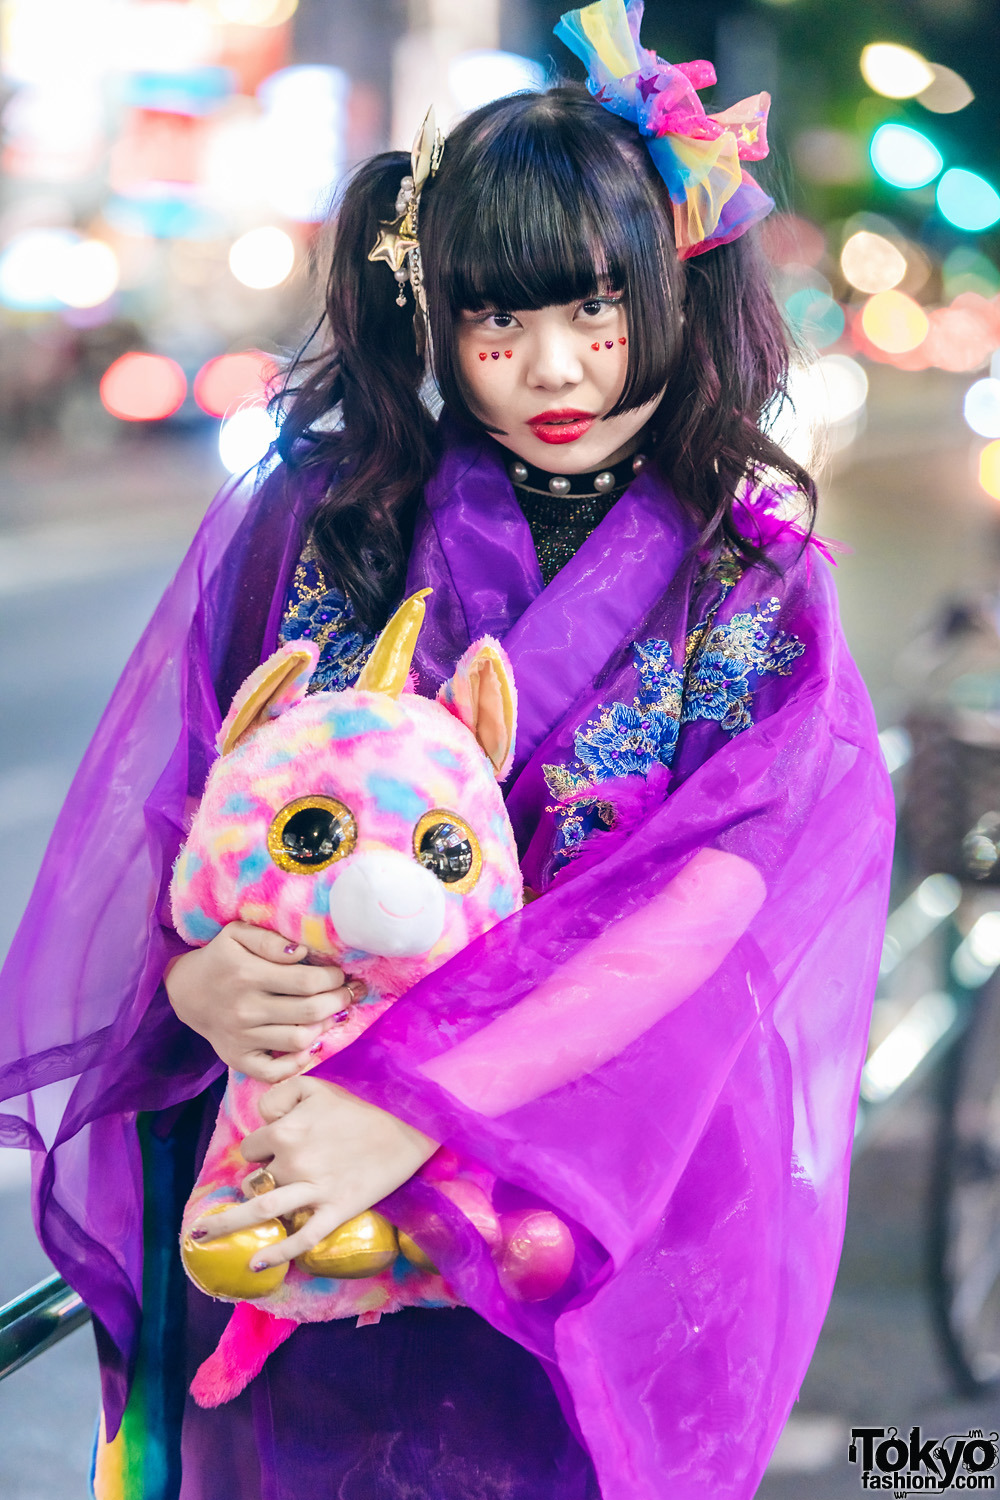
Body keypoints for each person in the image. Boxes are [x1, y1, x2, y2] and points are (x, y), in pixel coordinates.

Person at [0, 3, 894, 1497]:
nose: (560, 370)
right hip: (300, 1194)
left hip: (583, 1202)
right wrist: (200, 978)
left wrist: (418, 1106)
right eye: (502, 322)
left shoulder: (750, 578)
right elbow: (198, 819)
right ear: (436, 318)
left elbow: (711, 898)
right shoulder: (320, 519)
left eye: (597, 313)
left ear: (671, 293)